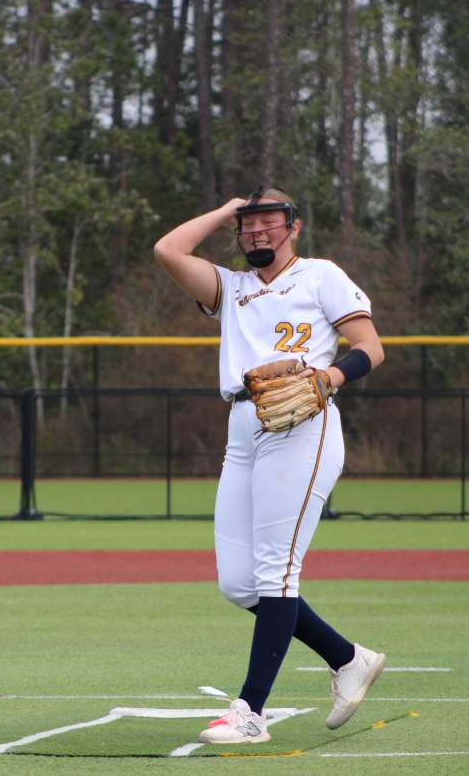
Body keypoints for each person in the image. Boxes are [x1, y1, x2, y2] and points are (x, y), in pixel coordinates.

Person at [154, 187, 386, 745]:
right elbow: (167, 250)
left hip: (303, 423)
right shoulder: (230, 287)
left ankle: (250, 712)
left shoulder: (320, 275)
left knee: (275, 572)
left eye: (269, 223)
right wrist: (225, 209)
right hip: (243, 426)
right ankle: (348, 658)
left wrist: (329, 378)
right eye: (248, 225)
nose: (258, 232)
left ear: (294, 228)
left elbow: (371, 347)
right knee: (239, 583)